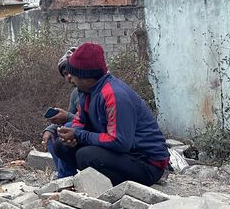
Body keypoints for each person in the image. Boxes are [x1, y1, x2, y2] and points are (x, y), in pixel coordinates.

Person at [52, 42, 169, 186]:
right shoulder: (85, 92)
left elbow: (120, 142)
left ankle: (117, 188)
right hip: (123, 155)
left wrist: (79, 135)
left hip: (146, 163)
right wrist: (72, 137)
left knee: (85, 156)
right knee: (61, 146)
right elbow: (80, 122)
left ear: (86, 77)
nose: (70, 79)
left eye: (73, 74)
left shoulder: (114, 95)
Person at [42, 47, 80, 178]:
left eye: (71, 71)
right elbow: (71, 115)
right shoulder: (76, 94)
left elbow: (92, 122)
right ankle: (66, 178)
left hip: (95, 138)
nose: (69, 76)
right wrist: (50, 129)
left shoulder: (97, 91)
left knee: (66, 130)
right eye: (65, 73)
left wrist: (68, 118)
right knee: (53, 136)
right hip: (82, 134)